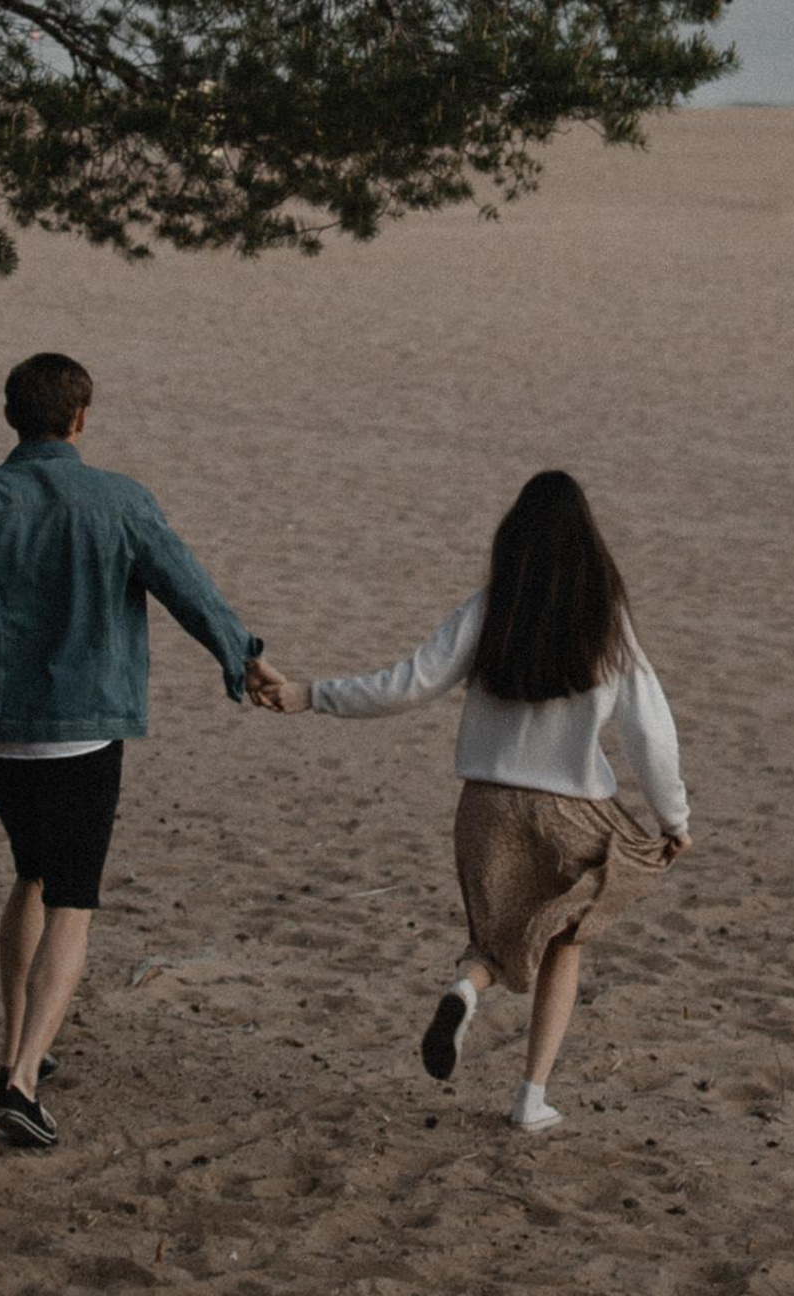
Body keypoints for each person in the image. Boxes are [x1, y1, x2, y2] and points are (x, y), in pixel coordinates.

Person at [0, 351, 278, 1149]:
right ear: (82, 417)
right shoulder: (118, 498)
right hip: (83, 726)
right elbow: (188, 586)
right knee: (74, 897)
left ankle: (16, 1051)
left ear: (12, 415)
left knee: (32, 873)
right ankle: (20, 1081)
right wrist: (240, 657)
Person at [262, 470, 691, 1133]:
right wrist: (673, 819)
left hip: (486, 807)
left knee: (493, 941)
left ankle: (466, 989)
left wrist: (311, 693)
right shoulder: (608, 624)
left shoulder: (490, 609)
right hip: (572, 812)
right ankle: (531, 1097)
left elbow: (409, 684)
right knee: (565, 938)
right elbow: (650, 736)